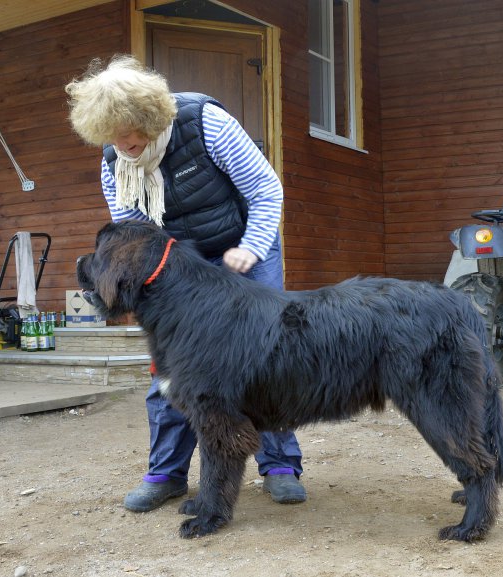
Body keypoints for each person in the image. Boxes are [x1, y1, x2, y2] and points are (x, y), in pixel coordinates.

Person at [64, 54, 306, 511]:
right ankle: (167, 473)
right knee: (172, 367)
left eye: (128, 132)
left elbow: (266, 190)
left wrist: (251, 248)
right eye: (110, 136)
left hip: (243, 245)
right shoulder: (114, 158)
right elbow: (133, 234)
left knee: (267, 356)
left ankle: (279, 465)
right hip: (179, 262)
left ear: (150, 118)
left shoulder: (206, 124)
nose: (121, 144)